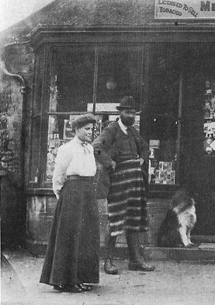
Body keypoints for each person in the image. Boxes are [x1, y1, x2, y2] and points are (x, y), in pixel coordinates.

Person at [92, 96, 155, 274]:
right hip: (118, 183)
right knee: (115, 219)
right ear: (120, 113)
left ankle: (135, 260)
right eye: (128, 112)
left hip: (135, 184)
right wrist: (109, 162)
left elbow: (145, 147)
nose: (131, 115)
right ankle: (108, 261)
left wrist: (143, 157)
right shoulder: (111, 130)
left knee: (134, 219)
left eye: (134, 112)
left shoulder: (133, 131)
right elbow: (96, 147)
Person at [40, 114, 100, 293]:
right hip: (73, 192)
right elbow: (58, 174)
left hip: (88, 192)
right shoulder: (67, 148)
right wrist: (61, 193)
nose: (90, 132)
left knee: (86, 235)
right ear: (76, 130)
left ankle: (80, 277)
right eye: (87, 129)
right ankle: (65, 280)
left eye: (92, 129)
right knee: (70, 234)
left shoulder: (89, 148)